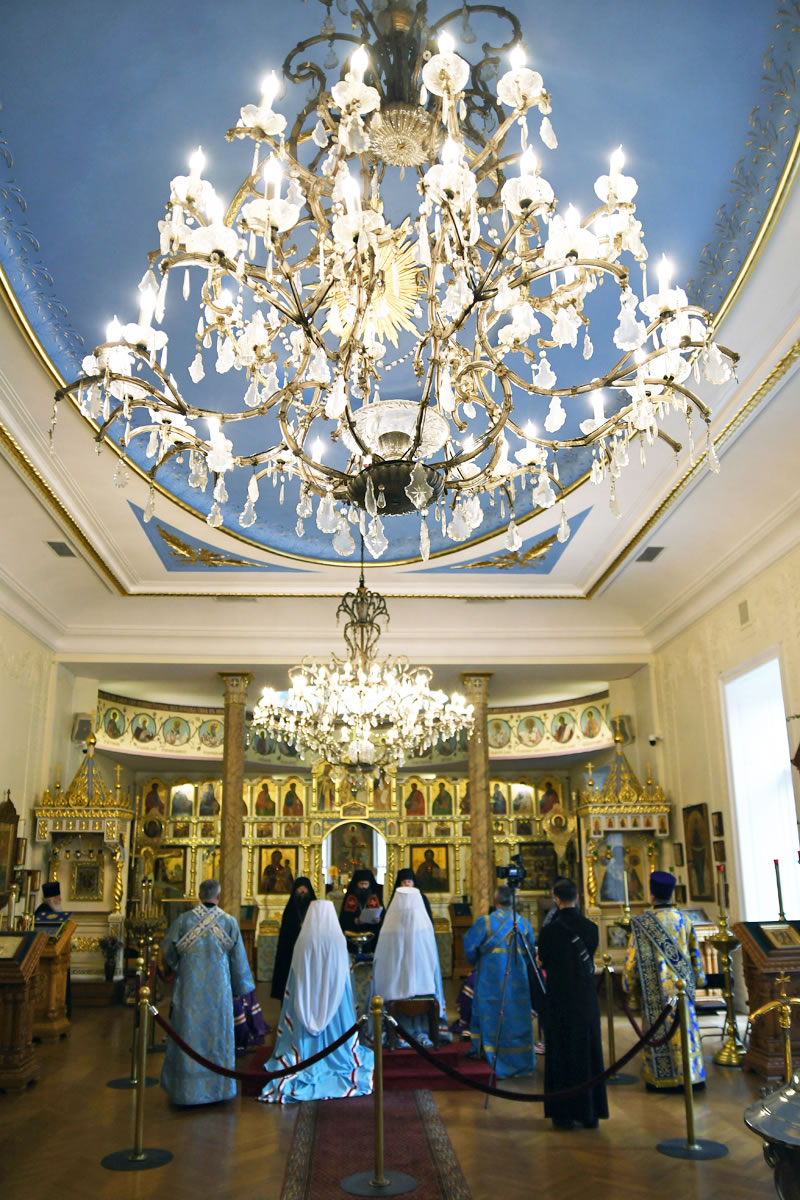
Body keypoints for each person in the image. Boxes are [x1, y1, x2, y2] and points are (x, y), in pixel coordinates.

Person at [260, 900, 374, 1102]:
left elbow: (295, 976)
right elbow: (344, 977)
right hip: (336, 1006)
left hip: (306, 1000)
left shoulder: (304, 940)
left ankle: (305, 1055)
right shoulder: (337, 939)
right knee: (341, 1036)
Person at [160, 878, 254, 1105]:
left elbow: (168, 949)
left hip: (189, 992)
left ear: (199, 895)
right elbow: (239, 961)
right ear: (218, 896)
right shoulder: (229, 922)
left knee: (188, 1035)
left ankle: (186, 1091)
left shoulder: (184, 920)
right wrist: (240, 988)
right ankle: (218, 1090)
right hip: (218, 994)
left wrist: (180, 967)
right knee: (217, 1035)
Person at [623, 870, 707, 1089]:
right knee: (685, 1030)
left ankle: (662, 1078)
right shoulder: (684, 920)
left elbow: (632, 960)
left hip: (656, 989)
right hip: (682, 989)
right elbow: (695, 954)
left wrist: (627, 984)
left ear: (652, 895)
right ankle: (691, 1075)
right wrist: (698, 979)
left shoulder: (641, 923)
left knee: (658, 1031)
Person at [537, 878, 608, 1130]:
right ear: (577, 897)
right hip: (585, 998)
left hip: (559, 998)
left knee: (561, 1052)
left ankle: (563, 1115)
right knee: (587, 1052)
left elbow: (543, 962)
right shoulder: (591, 928)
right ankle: (589, 1113)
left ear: (556, 899)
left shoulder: (549, 931)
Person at [464, 884, 536, 1078]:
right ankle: (520, 1061)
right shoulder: (523, 923)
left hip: (490, 979)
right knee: (516, 1016)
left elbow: (469, 946)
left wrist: (477, 962)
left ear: (495, 901)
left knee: (490, 1013)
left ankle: (488, 1053)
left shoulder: (486, 922)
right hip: (518, 980)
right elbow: (530, 952)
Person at [372, 885, 446, 1046]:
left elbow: (380, 963)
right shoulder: (425, 928)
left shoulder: (389, 928)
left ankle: (395, 1036)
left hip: (392, 992)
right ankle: (422, 1031)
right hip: (424, 989)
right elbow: (433, 964)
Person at [270, 876, 317, 1001]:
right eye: (300, 888)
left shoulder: (315, 909)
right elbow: (285, 933)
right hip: (291, 950)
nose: (302, 891)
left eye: (305, 888)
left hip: (310, 950)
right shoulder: (290, 909)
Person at [339, 867, 384, 951]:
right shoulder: (350, 897)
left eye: (366, 884)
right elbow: (344, 917)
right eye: (361, 884)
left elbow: (382, 915)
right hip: (354, 931)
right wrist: (354, 920)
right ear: (357, 884)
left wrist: (378, 920)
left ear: (369, 884)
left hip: (371, 933)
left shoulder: (375, 897)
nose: (363, 886)